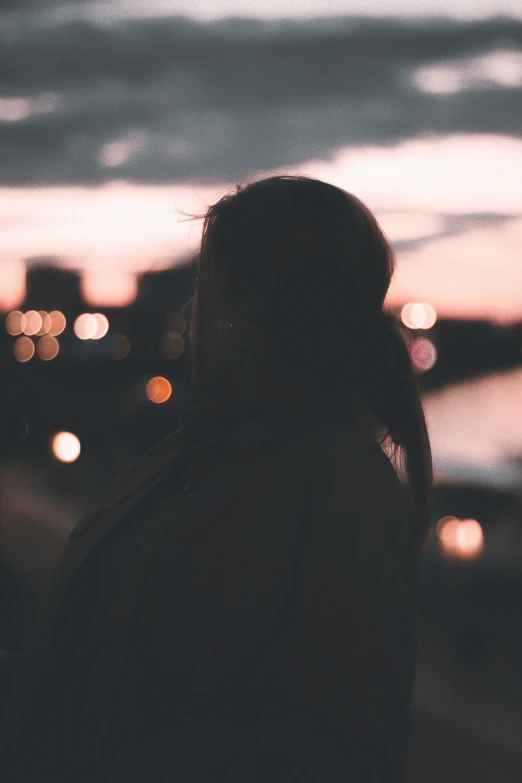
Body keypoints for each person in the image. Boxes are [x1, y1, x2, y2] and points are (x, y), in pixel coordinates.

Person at [0, 175, 433, 782]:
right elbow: (90, 665)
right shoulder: (191, 456)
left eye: (204, 289)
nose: (188, 311)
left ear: (249, 315)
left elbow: (341, 750)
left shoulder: (344, 497)